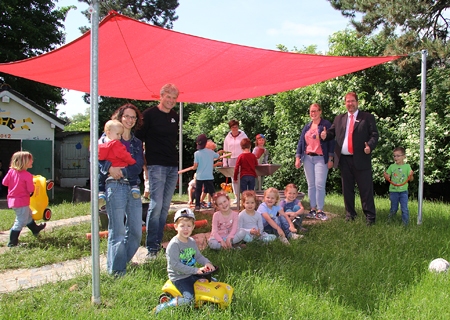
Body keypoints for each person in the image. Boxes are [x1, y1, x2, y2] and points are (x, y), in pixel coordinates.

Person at [99, 103, 144, 276]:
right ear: (119, 117)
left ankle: (119, 263)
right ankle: (117, 271)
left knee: (135, 232)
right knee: (117, 231)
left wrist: (123, 171)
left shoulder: (137, 143)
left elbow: (138, 166)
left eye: (133, 117)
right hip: (113, 185)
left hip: (132, 186)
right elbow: (95, 158)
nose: (130, 120)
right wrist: (109, 168)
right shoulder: (106, 137)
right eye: (127, 116)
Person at [136, 83, 180, 259]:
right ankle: (151, 248)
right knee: (155, 205)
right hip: (156, 165)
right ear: (161, 96)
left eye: (174, 98)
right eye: (168, 97)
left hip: (172, 165)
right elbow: (138, 140)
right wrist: (142, 162)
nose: (171, 101)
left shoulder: (174, 116)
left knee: (165, 207)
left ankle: (157, 243)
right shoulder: (149, 115)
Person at [320, 92, 379, 225]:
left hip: (361, 159)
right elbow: (331, 133)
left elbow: (374, 135)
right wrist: (325, 135)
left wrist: (369, 146)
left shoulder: (367, 117)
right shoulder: (339, 118)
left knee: (366, 190)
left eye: (352, 101)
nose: (350, 104)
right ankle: (350, 215)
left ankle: (370, 218)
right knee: (347, 190)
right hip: (344, 160)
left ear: (357, 102)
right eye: (348, 101)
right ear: (345, 103)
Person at [153, 208, 215, 315]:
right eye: (182, 226)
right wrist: (195, 270)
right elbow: (175, 265)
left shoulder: (191, 241)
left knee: (212, 281)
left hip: (191, 273)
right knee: (189, 299)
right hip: (179, 277)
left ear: (193, 227)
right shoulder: (174, 245)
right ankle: (163, 307)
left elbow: (198, 256)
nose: (186, 229)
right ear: (176, 227)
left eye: (189, 226)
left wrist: (207, 263)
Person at [295, 103, 335, 221]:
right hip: (307, 158)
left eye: (315, 111)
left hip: (321, 158)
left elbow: (332, 142)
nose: (313, 113)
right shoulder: (307, 126)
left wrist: (331, 158)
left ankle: (320, 211)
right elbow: (301, 142)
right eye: (311, 111)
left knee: (319, 184)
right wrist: (298, 157)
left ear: (320, 112)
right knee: (311, 185)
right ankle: (312, 209)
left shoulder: (326, 125)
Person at [2, 151, 46, 247]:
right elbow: (31, 189)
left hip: (13, 201)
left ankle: (35, 229)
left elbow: (4, 183)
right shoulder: (27, 175)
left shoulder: (11, 172)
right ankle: (12, 243)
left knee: (28, 215)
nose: (32, 161)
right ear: (24, 162)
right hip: (22, 201)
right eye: (30, 160)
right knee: (21, 221)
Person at [98, 119, 139, 208]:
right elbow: (124, 155)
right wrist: (131, 161)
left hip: (110, 175)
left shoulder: (101, 144)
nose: (119, 137)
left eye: (120, 134)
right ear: (108, 132)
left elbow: (97, 157)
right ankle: (134, 186)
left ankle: (100, 192)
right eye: (118, 134)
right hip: (120, 171)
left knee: (101, 178)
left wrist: (107, 167)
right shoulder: (116, 144)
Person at [383, 147, 414, 225]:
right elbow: (388, 176)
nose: (396, 158)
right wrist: (386, 176)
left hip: (403, 191)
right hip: (394, 191)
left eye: (398, 156)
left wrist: (411, 175)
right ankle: (390, 222)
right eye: (394, 156)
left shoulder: (407, 167)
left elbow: (411, 179)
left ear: (404, 156)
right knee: (394, 208)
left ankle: (405, 225)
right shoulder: (392, 166)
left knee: (404, 209)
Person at [223, 119, 248, 203]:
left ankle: (244, 196)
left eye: (236, 127)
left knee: (243, 177)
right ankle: (237, 197)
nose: (234, 128)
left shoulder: (243, 135)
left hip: (242, 158)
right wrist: (224, 162)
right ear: (230, 128)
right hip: (231, 159)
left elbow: (247, 147)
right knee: (234, 179)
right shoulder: (227, 137)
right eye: (233, 127)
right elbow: (225, 150)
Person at [193, 134, 219, 211]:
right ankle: (217, 205)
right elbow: (217, 156)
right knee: (212, 192)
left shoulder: (196, 153)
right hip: (209, 176)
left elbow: (195, 165)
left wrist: (193, 167)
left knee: (198, 191)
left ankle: (197, 206)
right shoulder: (211, 152)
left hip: (200, 176)